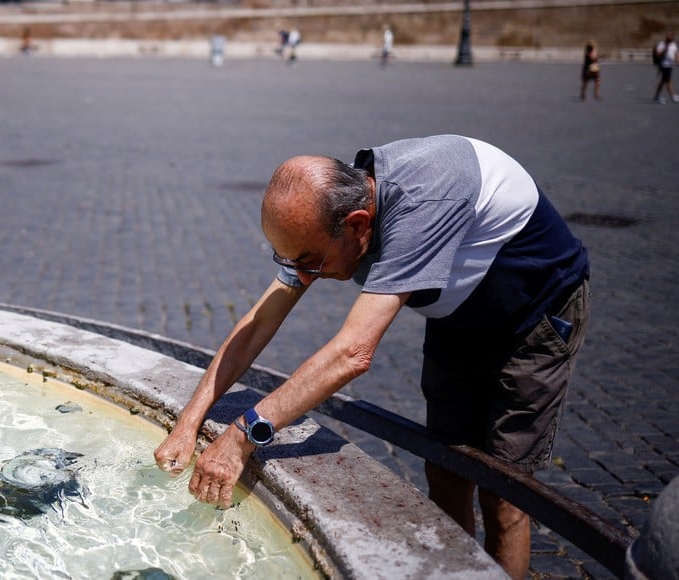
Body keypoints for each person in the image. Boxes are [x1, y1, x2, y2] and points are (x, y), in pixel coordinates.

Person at [154, 135, 590, 580]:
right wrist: (188, 422)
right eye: (287, 259)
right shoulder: (329, 215)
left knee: (505, 496)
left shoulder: (421, 206)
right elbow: (258, 325)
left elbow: (354, 353)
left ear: (360, 225)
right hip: (458, 315)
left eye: (309, 262)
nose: (301, 276)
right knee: (446, 472)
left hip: (533, 318)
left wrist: (242, 436)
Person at [653, 31, 679, 104]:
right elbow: (658, 54)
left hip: (670, 65)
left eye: (670, 36)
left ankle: (656, 96)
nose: (668, 37)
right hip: (664, 65)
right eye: (667, 35)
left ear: (672, 37)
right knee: (668, 81)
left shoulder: (674, 45)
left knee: (663, 81)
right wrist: (665, 49)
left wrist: (677, 61)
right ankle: (672, 96)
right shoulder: (662, 44)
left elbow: (676, 53)